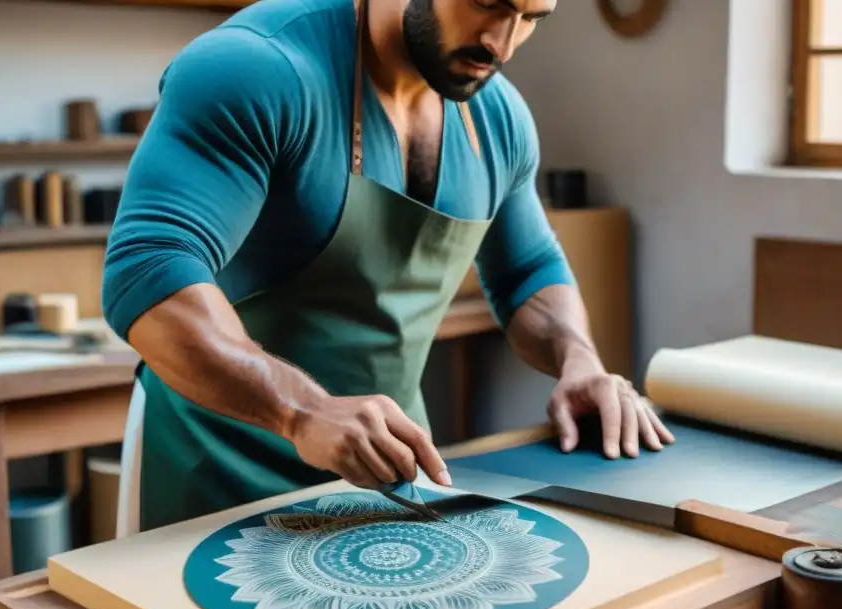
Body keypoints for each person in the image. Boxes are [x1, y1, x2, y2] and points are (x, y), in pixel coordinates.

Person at [102, 0, 674, 532]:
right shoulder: (256, 68)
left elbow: (528, 270)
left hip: (385, 475)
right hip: (211, 470)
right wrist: (304, 412)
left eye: (531, 18)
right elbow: (147, 271)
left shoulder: (500, 119)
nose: (502, 43)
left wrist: (580, 361)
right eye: (490, 2)